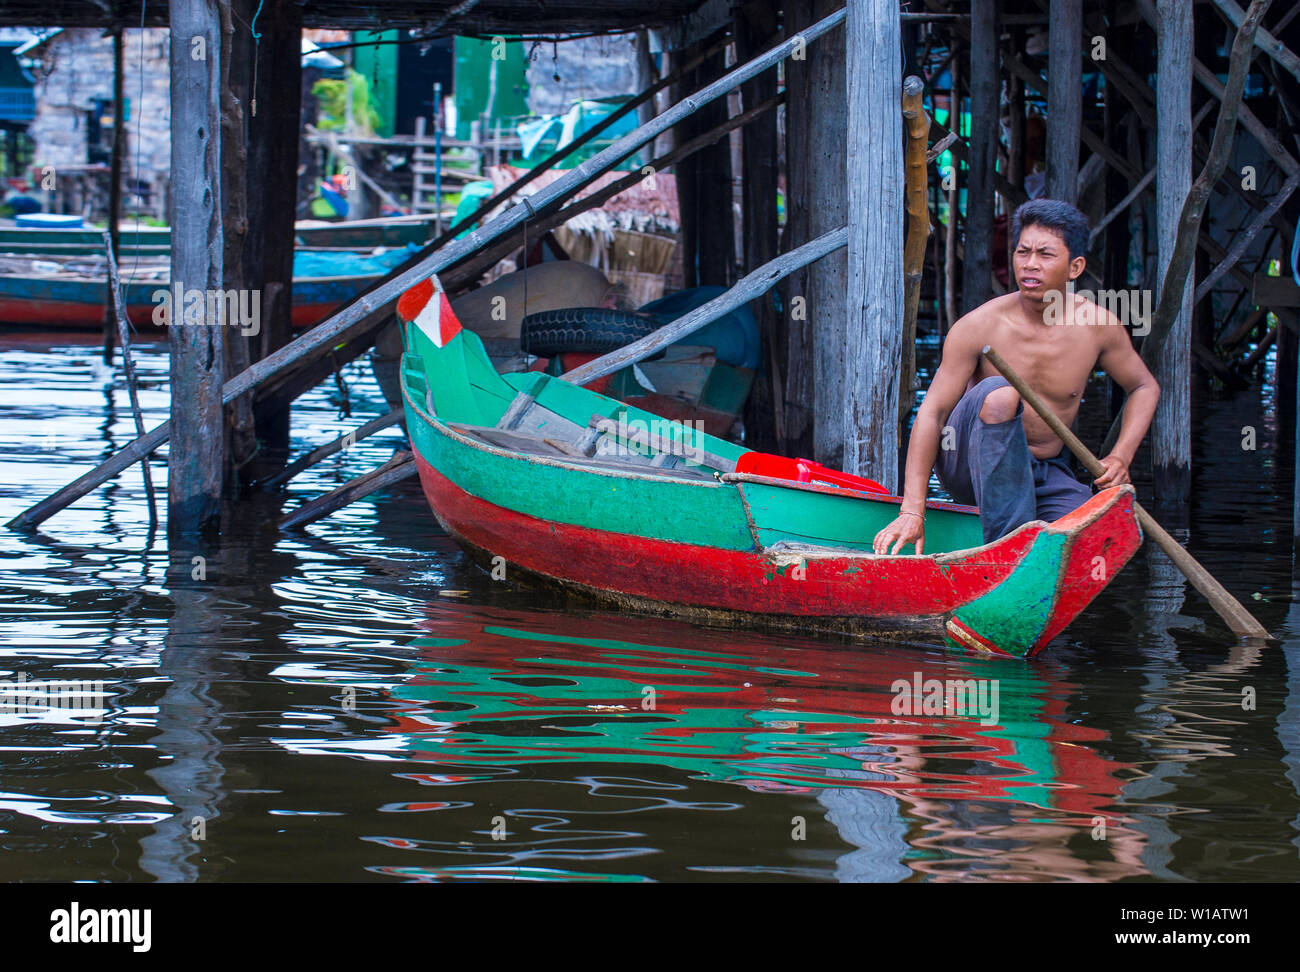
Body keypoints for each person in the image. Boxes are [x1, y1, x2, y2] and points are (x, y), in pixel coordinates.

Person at [873, 199, 1160, 556]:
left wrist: (1121, 457)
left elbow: (1144, 387)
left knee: (1091, 535)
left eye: (1045, 254)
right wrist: (912, 510)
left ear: (1075, 267)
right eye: (1023, 252)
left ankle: (1029, 571)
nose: (1030, 264)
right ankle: (1008, 550)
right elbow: (931, 414)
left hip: (1042, 471)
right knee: (1000, 394)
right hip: (967, 466)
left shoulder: (1098, 327)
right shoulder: (980, 325)